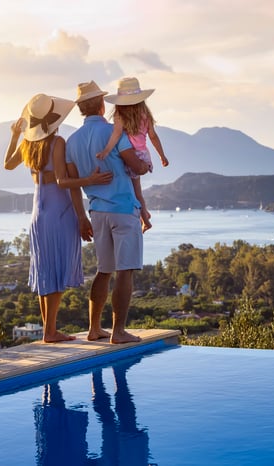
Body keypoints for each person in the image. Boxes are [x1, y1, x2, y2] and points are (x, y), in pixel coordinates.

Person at [4, 93, 113, 343]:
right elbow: (63, 182)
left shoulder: (28, 145)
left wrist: (15, 135)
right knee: (58, 270)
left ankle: (48, 330)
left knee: (46, 271)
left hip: (37, 214)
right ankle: (51, 331)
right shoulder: (58, 143)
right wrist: (91, 180)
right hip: (59, 212)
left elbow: (7, 165)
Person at [65, 80, 151, 344]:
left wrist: (81, 217)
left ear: (81, 109)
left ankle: (94, 329)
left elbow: (73, 186)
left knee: (104, 270)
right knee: (125, 271)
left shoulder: (72, 141)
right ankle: (119, 331)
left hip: (96, 212)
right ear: (103, 104)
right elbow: (134, 165)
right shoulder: (115, 132)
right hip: (123, 210)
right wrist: (145, 165)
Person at [96, 76, 169, 233]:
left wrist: (106, 151)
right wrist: (162, 156)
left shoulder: (119, 116)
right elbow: (153, 137)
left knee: (134, 191)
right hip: (143, 155)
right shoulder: (145, 115)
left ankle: (145, 219)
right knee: (137, 190)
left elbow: (115, 136)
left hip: (128, 157)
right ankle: (145, 214)